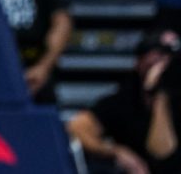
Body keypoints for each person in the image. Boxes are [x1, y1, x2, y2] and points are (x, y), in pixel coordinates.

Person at [67, 30, 181, 174]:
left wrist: (160, 96)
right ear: (139, 62)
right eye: (158, 58)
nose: (164, 65)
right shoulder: (125, 99)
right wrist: (114, 151)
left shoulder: (174, 100)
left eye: (170, 60)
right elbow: (77, 127)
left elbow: (162, 154)